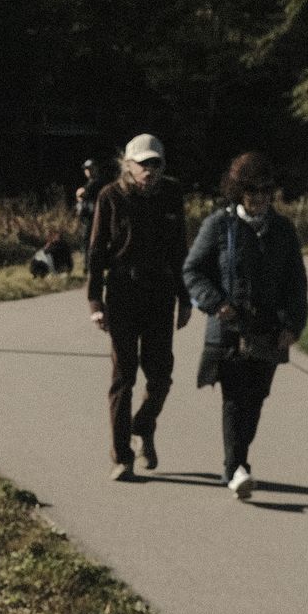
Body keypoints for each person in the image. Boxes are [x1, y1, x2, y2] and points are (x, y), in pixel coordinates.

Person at [182, 152, 308, 501]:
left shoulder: (283, 230)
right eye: (252, 192)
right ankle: (235, 467)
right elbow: (192, 271)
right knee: (235, 399)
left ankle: (237, 462)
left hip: (269, 331)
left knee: (257, 398)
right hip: (228, 330)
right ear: (238, 192)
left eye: (265, 191)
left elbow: (296, 283)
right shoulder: (218, 226)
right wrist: (215, 302)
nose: (259, 199)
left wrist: (294, 325)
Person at [87, 134, 192, 480]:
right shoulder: (110, 196)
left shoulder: (171, 195)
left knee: (161, 376)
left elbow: (180, 250)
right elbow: (96, 251)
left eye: (155, 164)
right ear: (127, 165)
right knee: (124, 377)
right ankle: (122, 456)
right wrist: (95, 300)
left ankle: (143, 425)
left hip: (160, 292)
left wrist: (185, 298)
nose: (149, 171)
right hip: (122, 291)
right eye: (142, 164)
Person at [74, 157, 109, 269]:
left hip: (94, 217)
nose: (88, 171)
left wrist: (79, 194)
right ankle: (90, 265)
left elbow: (81, 193)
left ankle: (90, 266)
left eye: (90, 168)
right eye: (86, 169)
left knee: (90, 242)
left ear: (96, 169)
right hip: (89, 217)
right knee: (88, 242)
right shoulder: (91, 182)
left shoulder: (97, 182)